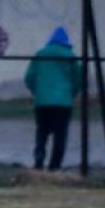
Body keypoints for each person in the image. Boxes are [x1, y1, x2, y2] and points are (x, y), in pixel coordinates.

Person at [24, 26, 82, 171]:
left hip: (42, 102)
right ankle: (54, 166)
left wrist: (36, 91)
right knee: (60, 135)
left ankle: (38, 161)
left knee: (42, 133)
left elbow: (29, 77)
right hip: (63, 102)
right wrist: (72, 93)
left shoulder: (40, 54)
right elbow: (78, 79)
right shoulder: (71, 56)